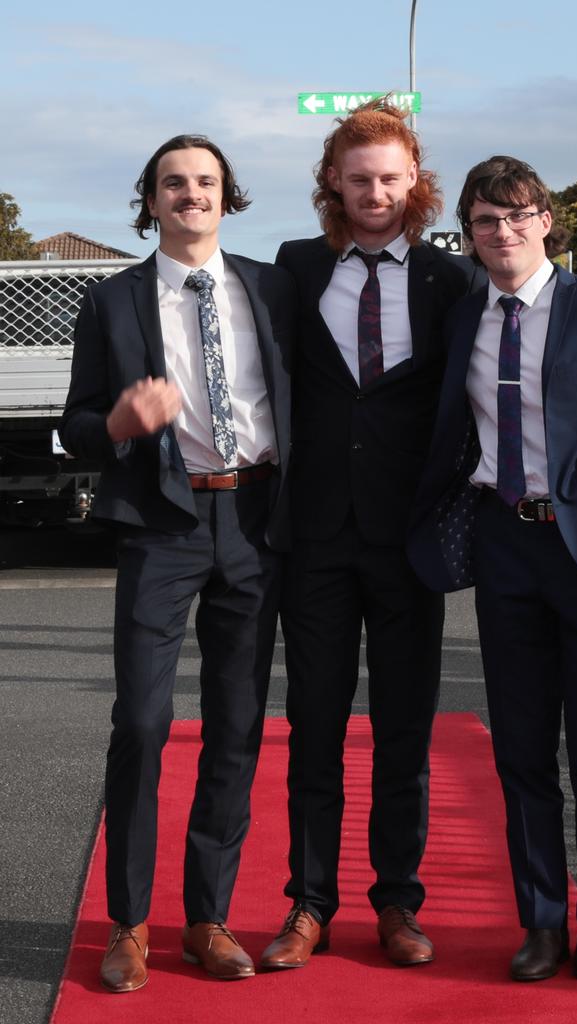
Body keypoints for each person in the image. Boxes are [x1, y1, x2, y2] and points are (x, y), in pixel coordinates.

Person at [408, 156, 577, 982]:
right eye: (486, 220)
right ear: (471, 233)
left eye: (518, 215)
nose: (503, 232)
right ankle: (541, 922)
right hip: (505, 548)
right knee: (520, 753)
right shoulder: (464, 315)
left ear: (546, 220)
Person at [59, 135, 294, 992]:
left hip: (258, 519)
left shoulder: (271, 286)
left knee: (235, 725)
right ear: (150, 199)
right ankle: (128, 924)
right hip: (163, 523)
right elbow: (75, 421)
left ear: (227, 196)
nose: (191, 194)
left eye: (206, 181)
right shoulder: (113, 300)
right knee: (144, 724)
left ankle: (207, 919)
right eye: (173, 183)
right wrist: (117, 424)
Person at [258, 101, 479, 970]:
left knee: (403, 734)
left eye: (391, 178)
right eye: (359, 179)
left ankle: (397, 903)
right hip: (314, 539)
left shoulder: (450, 281)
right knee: (313, 729)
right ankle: (308, 905)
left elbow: (498, 384)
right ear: (333, 185)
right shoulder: (293, 268)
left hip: (408, 542)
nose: (376, 192)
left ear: (415, 183)